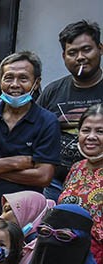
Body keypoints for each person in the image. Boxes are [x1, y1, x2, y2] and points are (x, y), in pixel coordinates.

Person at [0, 51, 61, 243]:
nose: (15, 85)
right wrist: (16, 162)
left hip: (23, 219)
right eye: (9, 78)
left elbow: (43, 176)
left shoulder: (47, 121)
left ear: (36, 82)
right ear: (0, 81)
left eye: (23, 78)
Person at [38, 20, 103, 201]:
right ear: (64, 56)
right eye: (72, 53)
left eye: (86, 49)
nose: (80, 57)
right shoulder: (53, 91)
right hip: (54, 184)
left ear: (100, 48)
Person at [58, 104, 103, 264]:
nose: (91, 136)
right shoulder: (77, 167)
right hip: (66, 254)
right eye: (85, 130)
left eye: (100, 131)